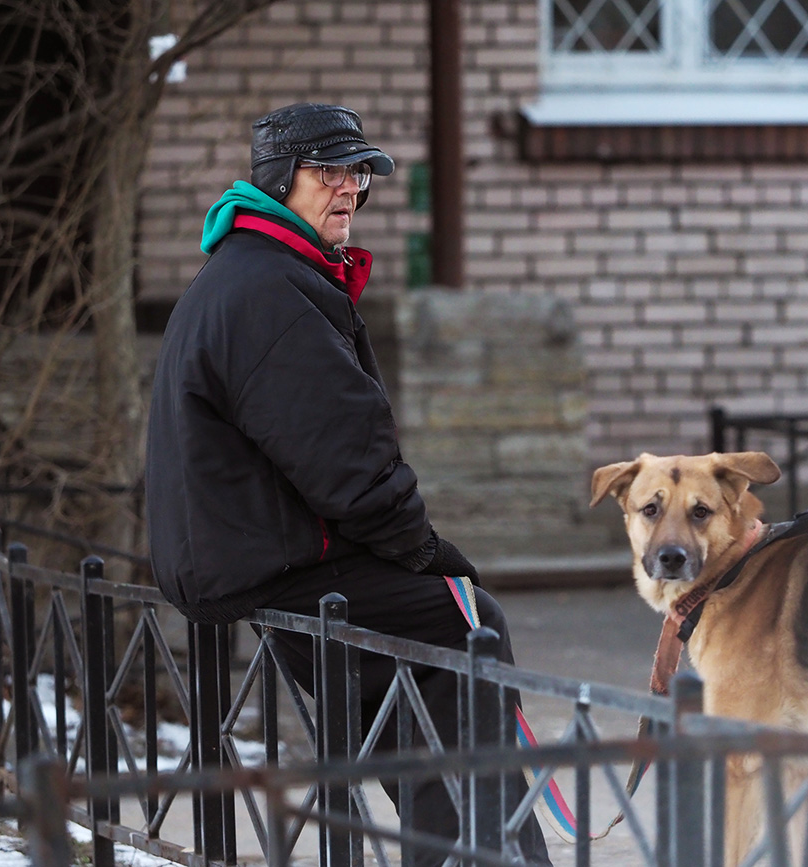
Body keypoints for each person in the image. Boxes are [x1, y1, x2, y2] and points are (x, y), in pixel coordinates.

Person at [145, 102, 551, 866]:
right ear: (277, 179)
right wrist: (427, 552)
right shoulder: (269, 290)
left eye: (357, 173)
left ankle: (472, 849)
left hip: (259, 554)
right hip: (276, 563)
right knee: (469, 623)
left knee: (429, 653)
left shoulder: (257, 272)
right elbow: (351, 465)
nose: (348, 190)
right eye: (326, 170)